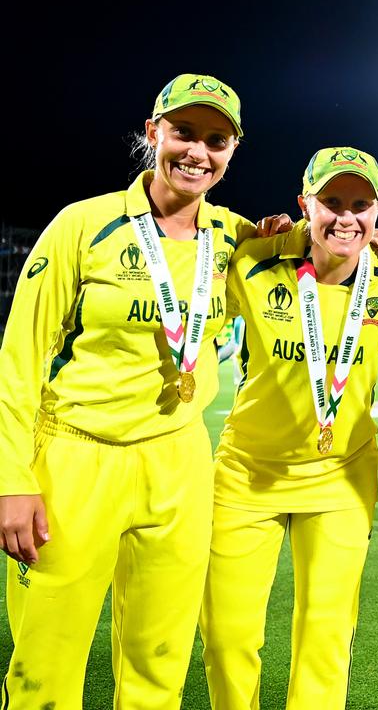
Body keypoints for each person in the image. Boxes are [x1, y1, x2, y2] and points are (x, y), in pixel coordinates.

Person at [0, 73, 255, 708]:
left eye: (216, 139)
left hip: (179, 460)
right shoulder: (83, 224)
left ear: (233, 150)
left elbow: (326, 251)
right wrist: (11, 477)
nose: (198, 151)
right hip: (77, 458)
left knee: (158, 663)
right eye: (184, 133)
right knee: (46, 662)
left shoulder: (236, 237)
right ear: (152, 133)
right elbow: (18, 357)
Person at [200, 147, 378, 708]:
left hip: (341, 478)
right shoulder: (254, 262)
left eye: (361, 204)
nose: (346, 217)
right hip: (248, 474)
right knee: (227, 637)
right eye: (331, 202)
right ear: (304, 205)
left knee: (325, 639)